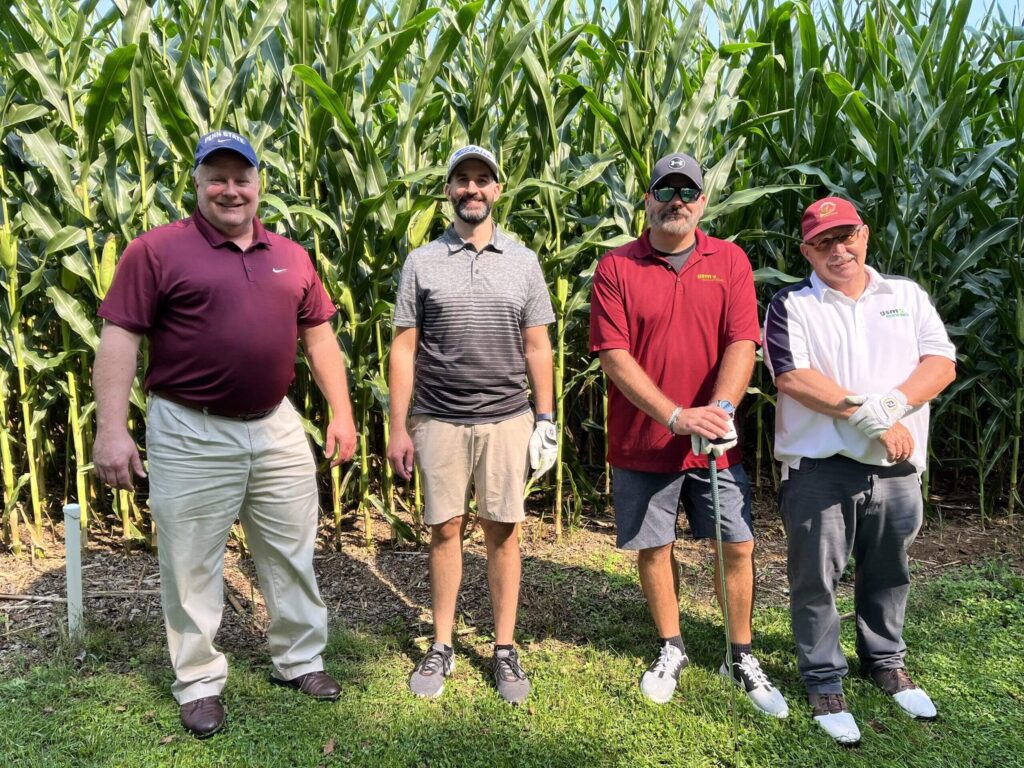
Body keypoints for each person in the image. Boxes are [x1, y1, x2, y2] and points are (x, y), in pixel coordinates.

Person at [92, 130, 357, 739]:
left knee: (290, 550)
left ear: (260, 184)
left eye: (242, 177)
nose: (230, 189)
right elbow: (120, 339)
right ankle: (200, 681)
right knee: (190, 561)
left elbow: (319, 337)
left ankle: (299, 659)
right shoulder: (156, 251)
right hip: (189, 427)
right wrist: (112, 429)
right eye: (218, 177)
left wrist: (340, 412)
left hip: (276, 423)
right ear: (196, 183)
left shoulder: (291, 253)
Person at [589, 152, 788, 717]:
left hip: (714, 439)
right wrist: (676, 415)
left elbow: (741, 342)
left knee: (739, 543)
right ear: (647, 199)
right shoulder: (617, 266)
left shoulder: (728, 261)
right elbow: (614, 356)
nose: (676, 200)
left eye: (687, 191)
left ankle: (739, 652)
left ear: (702, 201)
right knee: (655, 547)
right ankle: (670, 646)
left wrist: (720, 410)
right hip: (643, 439)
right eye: (665, 190)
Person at [763, 196, 956, 745]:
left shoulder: (905, 296)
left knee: (889, 569)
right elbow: (793, 377)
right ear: (807, 250)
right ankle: (824, 679)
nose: (838, 250)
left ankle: (886, 662)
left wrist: (890, 409)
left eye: (846, 236)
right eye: (823, 242)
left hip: (897, 467)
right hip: (821, 466)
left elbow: (940, 363)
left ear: (865, 236)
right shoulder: (793, 303)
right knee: (815, 579)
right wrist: (870, 417)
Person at [386, 145, 557, 705]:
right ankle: (442, 642)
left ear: (497, 191)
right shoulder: (422, 261)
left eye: (483, 180)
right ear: (449, 191)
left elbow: (538, 346)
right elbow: (404, 348)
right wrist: (398, 426)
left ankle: (504, 648)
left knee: (504, 530)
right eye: (462, 180)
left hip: (508, 418)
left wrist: (547, 418)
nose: (472, 189)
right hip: (437, 419)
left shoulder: (523, 261)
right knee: (444, 529)